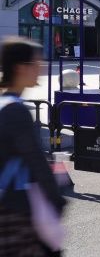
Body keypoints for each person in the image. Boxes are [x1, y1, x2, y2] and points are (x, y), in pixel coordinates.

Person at [0, 37, 67, 256]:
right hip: (14, 210)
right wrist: (57, 201)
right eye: (36, 64)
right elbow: (36, 160)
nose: (41, 68)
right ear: (20, 68)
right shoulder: (16, 111)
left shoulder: (4, 104)